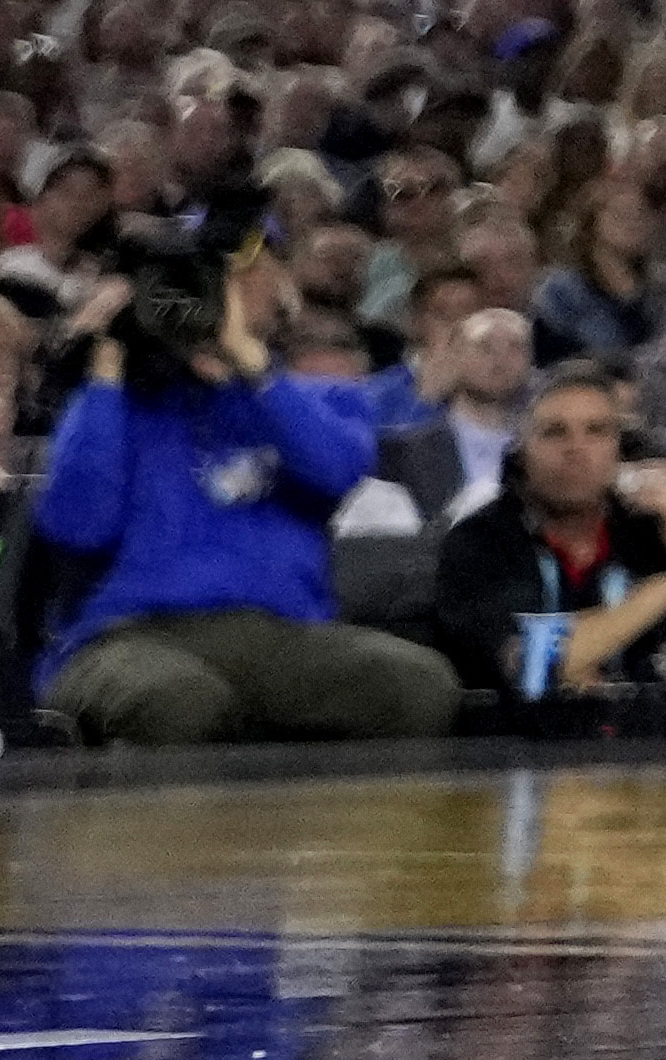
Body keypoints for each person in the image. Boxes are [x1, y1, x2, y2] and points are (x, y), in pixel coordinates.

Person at [33, 238, 445, 748]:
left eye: (227, 282)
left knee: (416, 686)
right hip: (127, 634)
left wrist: (246, 358)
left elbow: (338, 470)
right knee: (181, 702)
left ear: (281, 296)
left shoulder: (320, 398)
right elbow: (78, 526)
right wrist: (109, 355)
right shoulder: (113, 405)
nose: (201, 301)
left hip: (279, 635)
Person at [424, 372, 666, 705]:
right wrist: (662, 594)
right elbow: (534, 668)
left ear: (620, 451)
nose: (576, 448)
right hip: (519, 747)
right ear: (521, 453)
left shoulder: (650, 534)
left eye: (596, 431)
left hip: (649, 744)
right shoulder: (479, 541)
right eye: (555, 432)